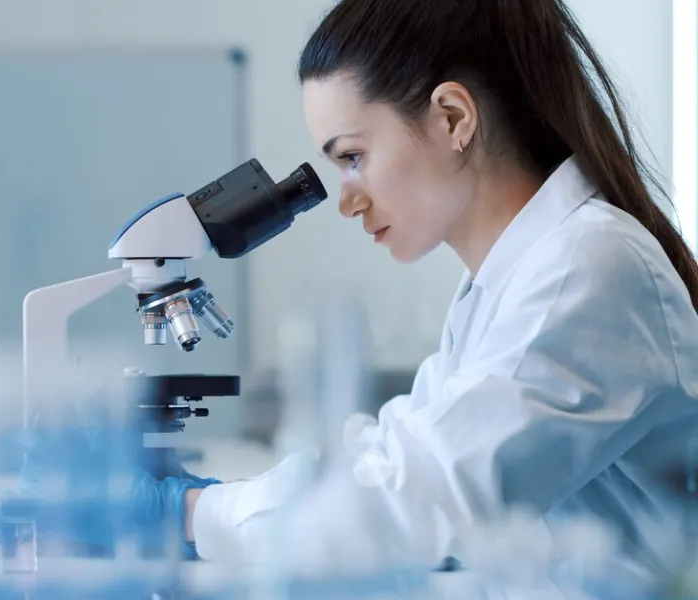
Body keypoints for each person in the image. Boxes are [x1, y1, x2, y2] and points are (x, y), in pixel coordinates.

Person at [148, 0, 698, 582]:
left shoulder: (589, 267)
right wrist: (214, 504)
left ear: (454, 118)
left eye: (354, 157)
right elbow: (390, 457)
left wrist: (189, 515)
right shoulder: (500, 284)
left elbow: (424, 496)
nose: (346, 200)